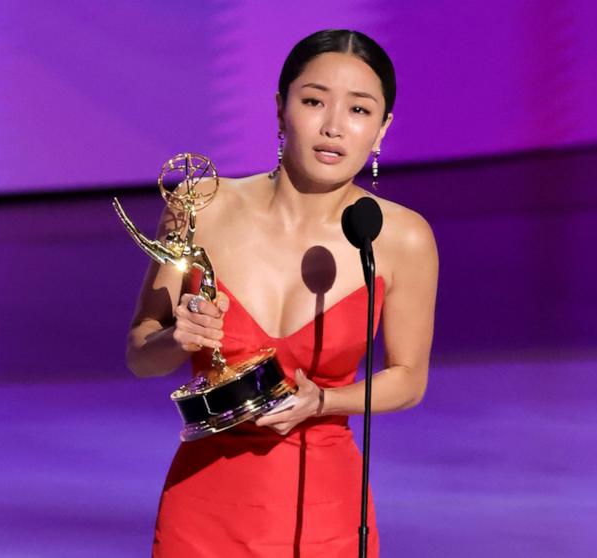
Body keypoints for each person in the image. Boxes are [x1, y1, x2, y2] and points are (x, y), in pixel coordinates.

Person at [125, 29, 438, 557]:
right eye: (314, 101)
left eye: (359, 111)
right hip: (203, 506)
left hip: (321, 510)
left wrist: (326, 401)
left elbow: (409, 380)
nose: (334, 127)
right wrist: (178, 338)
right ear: (279, 108)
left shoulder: (401, 238)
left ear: (381, 130)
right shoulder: (201, 206)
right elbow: (140, 354)